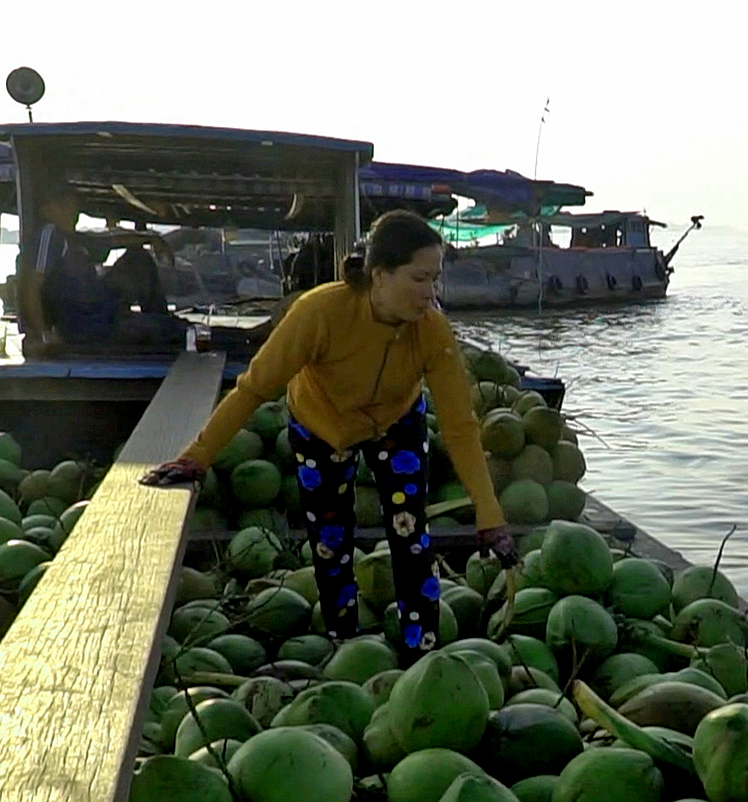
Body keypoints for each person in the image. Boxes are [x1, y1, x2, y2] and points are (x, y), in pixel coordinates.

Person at [141, 209, 518, 659]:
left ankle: (423, 652)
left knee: (412, 538)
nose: (429, 294)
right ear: (379, 275)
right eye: (419, 279)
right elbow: (254, 388)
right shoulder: (319, 313)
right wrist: (196, 459)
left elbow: (459, 426)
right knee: (330, 541)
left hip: (395, 423)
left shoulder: (431, 330)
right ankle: (345, 642)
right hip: (320, 424)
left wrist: (490, 514)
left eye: (435, 280)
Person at [21, 180, 186, 354]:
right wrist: (44, 335)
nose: (70, 211)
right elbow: (31, 289)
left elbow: (111, 240)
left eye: (72, 205)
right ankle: (166, 327)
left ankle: (158, 318)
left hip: (103, 311)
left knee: (138, 258)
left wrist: (152, 239)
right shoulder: (50, 234)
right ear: (45, 211)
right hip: (87, 327)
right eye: (62, 206)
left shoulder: (74, 239)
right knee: (171, 330)